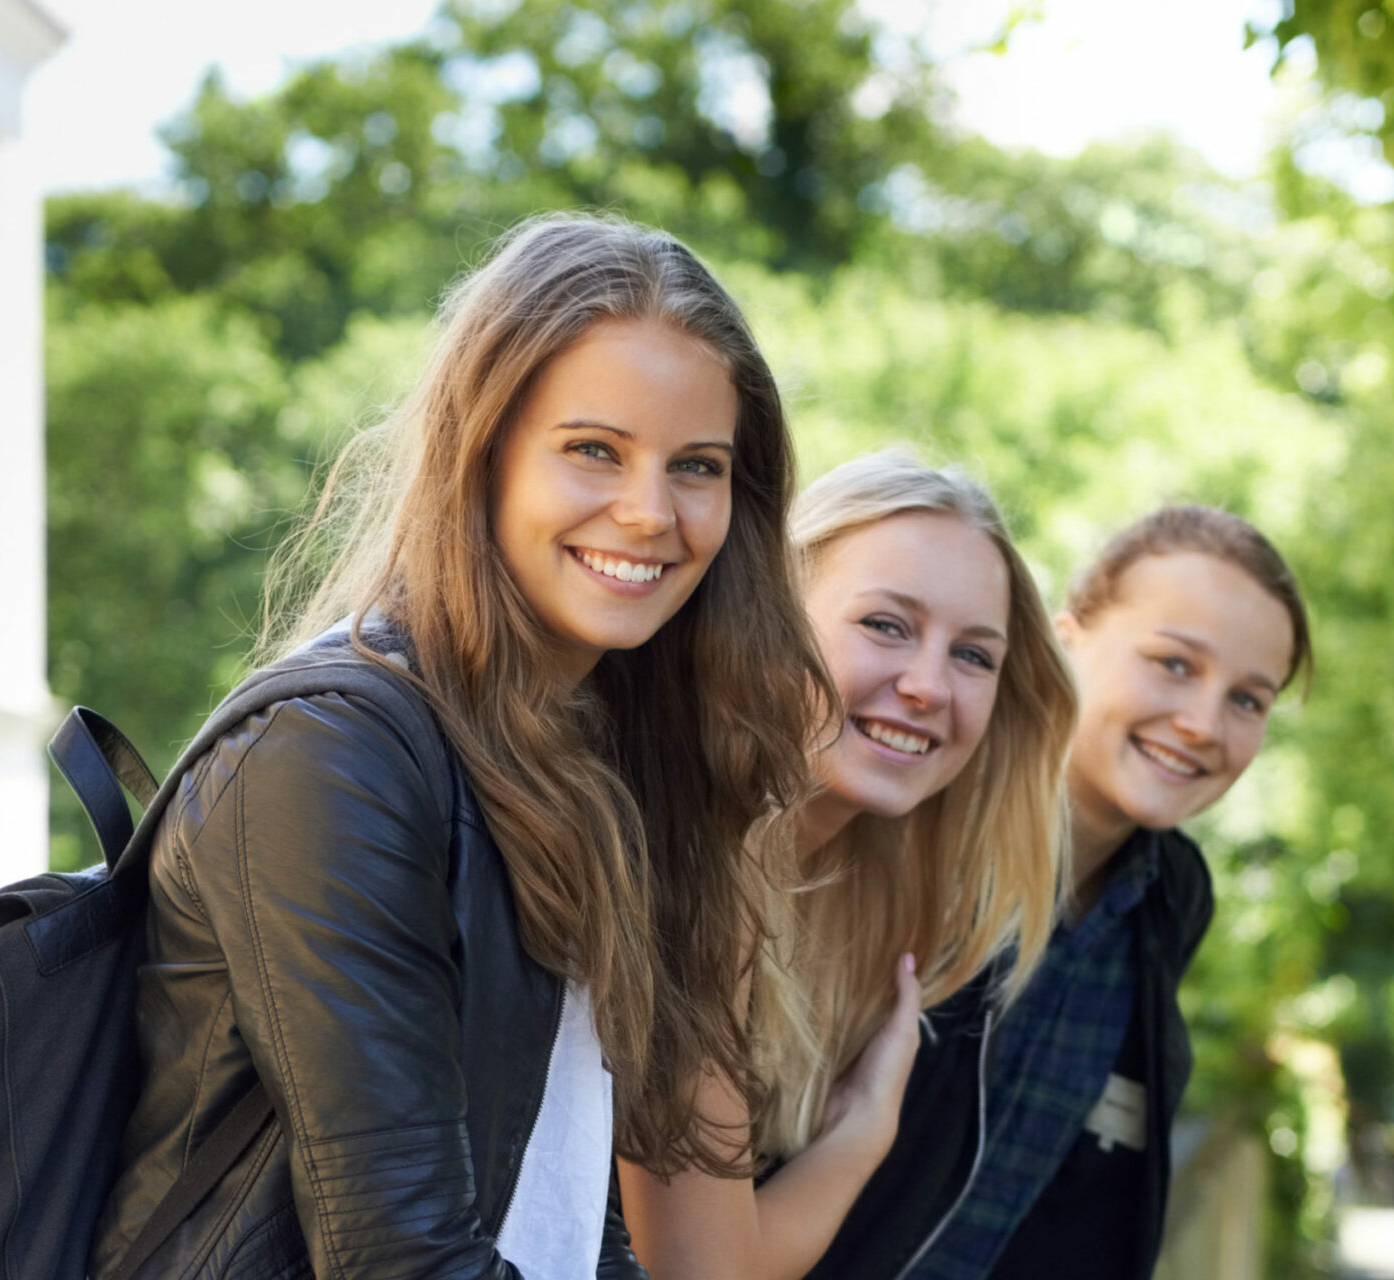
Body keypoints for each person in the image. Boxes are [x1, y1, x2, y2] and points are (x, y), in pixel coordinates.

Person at [90, 214, 830, 1280]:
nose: (649, 511)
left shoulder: (581, 766)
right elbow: (403, 1256)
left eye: (697, 466)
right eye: (592, 449)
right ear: (480, 449)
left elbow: (564, 1211)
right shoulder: (335, 755)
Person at [816, 503, 1313, 1280]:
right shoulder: (909, 822)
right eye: (1174, 665)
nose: (1203, 723)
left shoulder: (1168, 899)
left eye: (1248, 700)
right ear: (1064, 642)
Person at [620, 452, 1076, 1280]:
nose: (929, 686)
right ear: (772, 616)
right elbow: (703, 1273)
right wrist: (865, 1130)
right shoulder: (689, 856)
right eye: (886, 625)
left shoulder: (877, 899)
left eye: (974, 656)